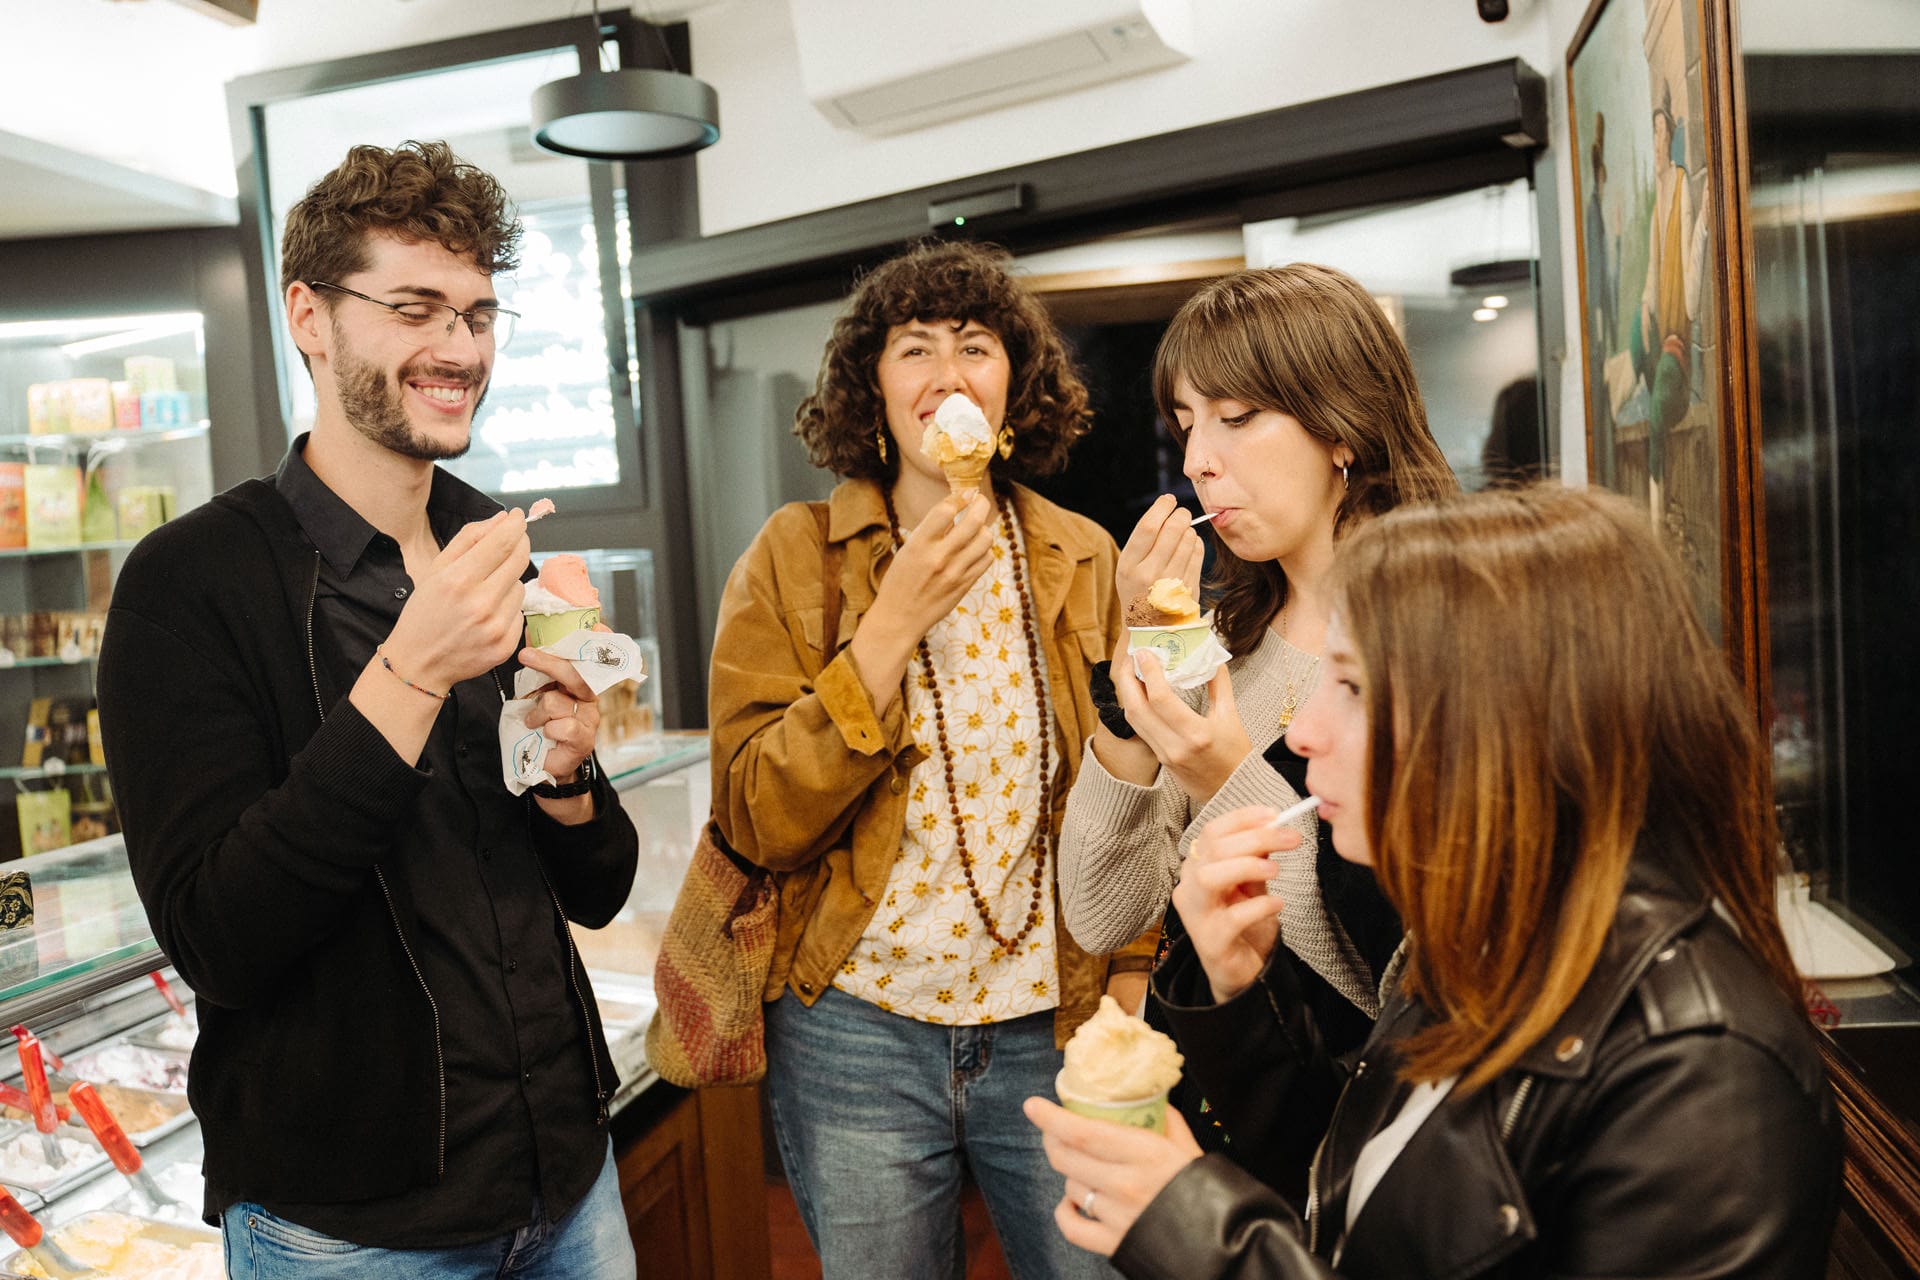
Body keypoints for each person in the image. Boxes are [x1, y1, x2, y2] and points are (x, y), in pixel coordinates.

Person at [1026, 485, 1843, 1279]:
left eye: (1350, 687)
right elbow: (1369, 1191)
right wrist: (1243, 994)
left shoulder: (1702, 1081)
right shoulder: (1481, 936)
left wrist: (1202, 1237)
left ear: (1512, 722)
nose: (1303, 733)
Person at [96, 141, 640, 1276]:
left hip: (568, 1177)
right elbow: (219, 938)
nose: (461, 349)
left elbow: (595, 890)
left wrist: (571, 775)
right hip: (349, 1234)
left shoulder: (492, 535)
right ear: (310, 315)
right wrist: (412, 670)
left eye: (480, 313)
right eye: (416, 308)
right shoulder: (188, 582)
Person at [709, 238, 1152, 1279]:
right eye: (914, 348)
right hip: (858, 1028)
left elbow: (1139, 791)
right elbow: (754, 811)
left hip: (1056, 1011)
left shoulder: (1084, 554)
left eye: (975, 346)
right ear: (874, 387)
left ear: (1014, 386)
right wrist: (887, 630)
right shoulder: (795, 554)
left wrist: (1134, 967)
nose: (947, 373)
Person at [1057, 265, 1454, 1180]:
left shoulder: (1436, 634)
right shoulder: (1224, 636)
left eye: (1235, 418)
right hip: (1220, 1110)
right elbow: (1102, 910)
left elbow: (1405, 978)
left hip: (1358, 1140)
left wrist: (1224, 778)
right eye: (1186, 423)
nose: (1198, 458)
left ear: (1343, 424)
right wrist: (1133, 684)